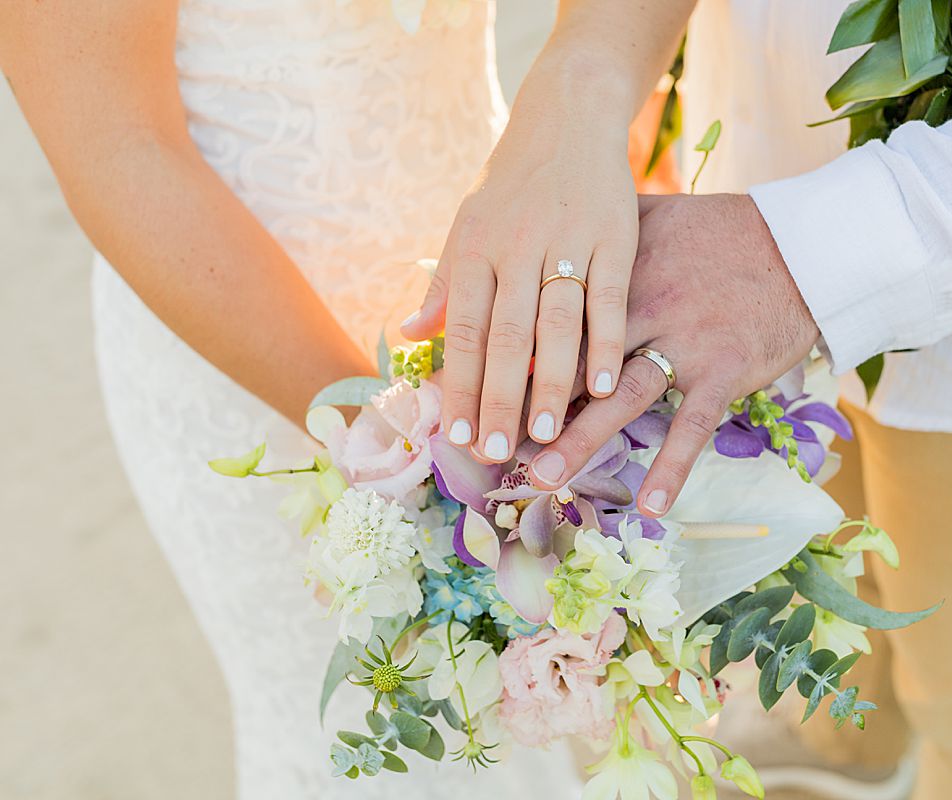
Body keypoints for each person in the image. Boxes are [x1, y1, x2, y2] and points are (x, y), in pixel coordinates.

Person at [412, 0, 952, 797]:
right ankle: (848, 751)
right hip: (737, 218)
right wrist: (590, 77)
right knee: (825, 594)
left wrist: (800, 259)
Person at [0, 1, 639, 796]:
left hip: (497, 270)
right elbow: (112, 142)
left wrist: (598, 125)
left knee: (543, 712)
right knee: (368, 748)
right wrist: (401, 452)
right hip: (244, 346)